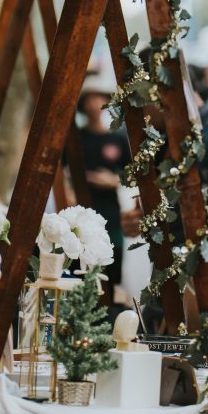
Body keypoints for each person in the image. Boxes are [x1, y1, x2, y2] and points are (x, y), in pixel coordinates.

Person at [76, 76, 132, 300]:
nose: (93, 104)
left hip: (111, 211)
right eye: (89, 99)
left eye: (98, 97)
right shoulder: (76, 139)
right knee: (83, 266)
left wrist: (113, 180)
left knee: (113, 263)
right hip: (81, 211)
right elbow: (63, 172)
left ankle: (112, 308)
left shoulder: (117, 138)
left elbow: (132, 174)